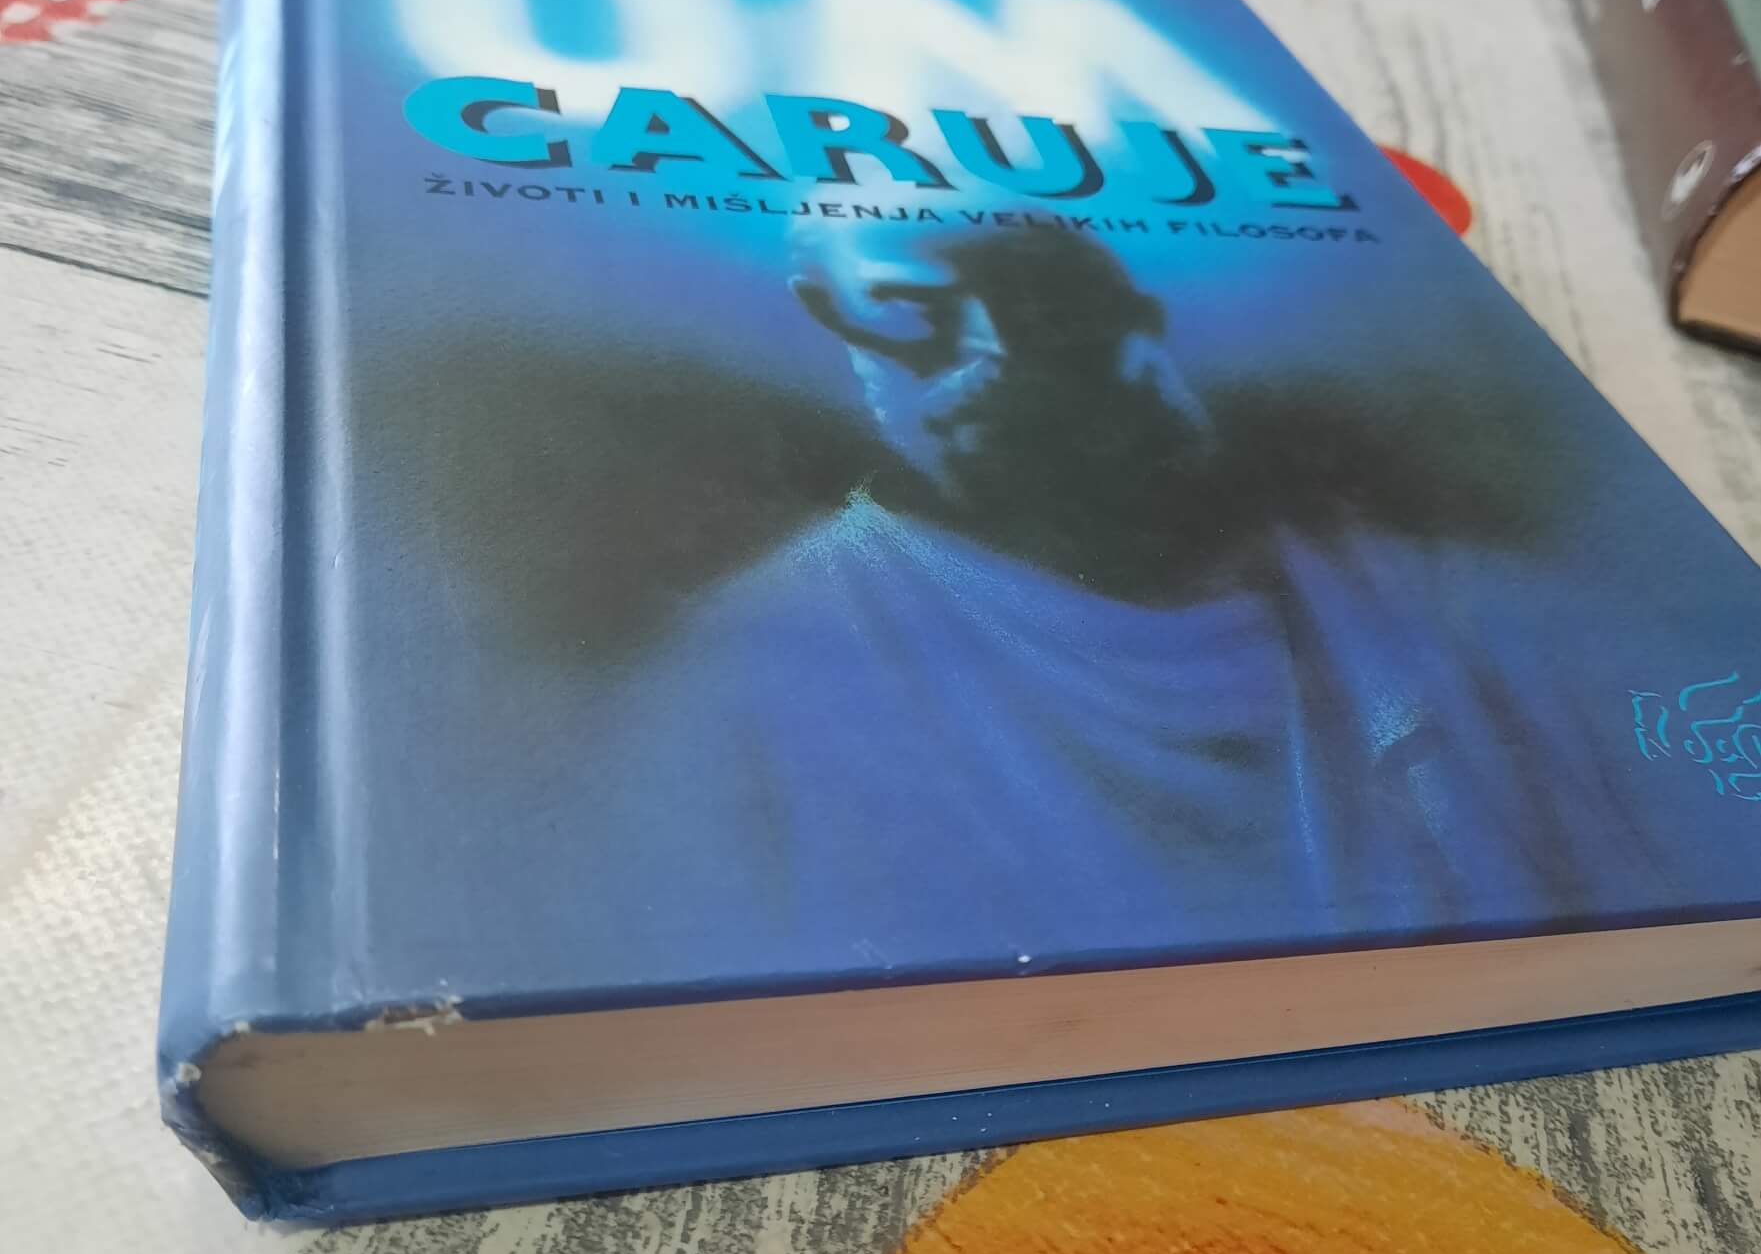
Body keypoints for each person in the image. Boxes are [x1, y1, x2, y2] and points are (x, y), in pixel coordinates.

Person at [595, 218, 1696, 984]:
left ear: (1145, 329)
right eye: (912, 316)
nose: (996, 354)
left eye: (1048, 309)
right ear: (847, 348)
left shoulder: (1453, 615)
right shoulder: (743, 673)